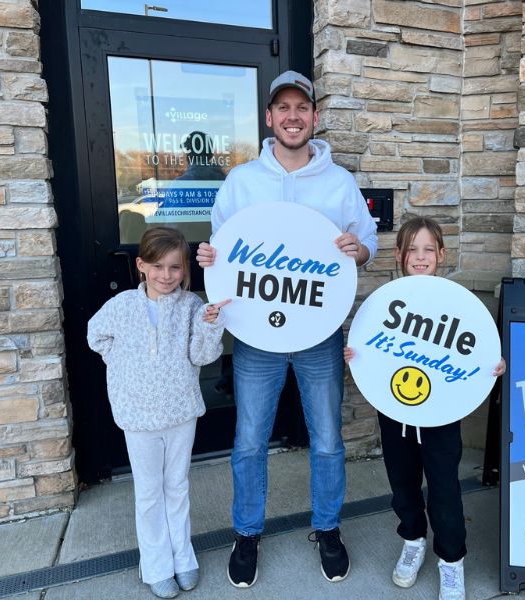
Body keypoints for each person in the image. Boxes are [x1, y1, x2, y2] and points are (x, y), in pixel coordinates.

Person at [196, 70, 378, 587]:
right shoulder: (242, 181)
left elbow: (367, 243)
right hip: (256, 335)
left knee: (326, 441)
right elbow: (221, 251)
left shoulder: (339, 182)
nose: (293, 116)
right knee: (249, 440)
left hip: (319, 333)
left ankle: (328, 528)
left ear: (314, 118)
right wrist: (209, 257)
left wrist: (358, 250)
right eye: (284, 108)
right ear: (270, 118)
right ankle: (247, 533)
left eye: (302, 108)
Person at [344, 217, 505, 600]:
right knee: (402, 484)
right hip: (394, 410)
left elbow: (479, 353)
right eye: (412, 249)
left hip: (442, 416)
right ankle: (413, 539)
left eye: (428, 249)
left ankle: (451, 562)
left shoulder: (457, 305)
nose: (420, 257)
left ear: (441, 254)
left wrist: (493, 365)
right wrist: (357, 355)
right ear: (399, 255)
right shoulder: (386, 304)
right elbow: (374, 351)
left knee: (445, 489)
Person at [87, 227, 230, 599]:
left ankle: (183, 556)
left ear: (185, 270)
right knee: (149, 492)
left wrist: (211, 328)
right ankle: (154, 563)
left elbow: (202, 356)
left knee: (178, 487)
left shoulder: (193, 307)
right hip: (138, 416)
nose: (166, 276)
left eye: (175, 268)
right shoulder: (121, 308)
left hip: (180, 411)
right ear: (141, 266)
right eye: (157, 266)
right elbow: (95, 336)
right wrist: (125, 367)